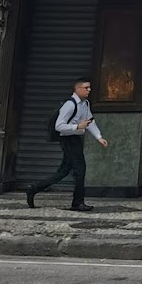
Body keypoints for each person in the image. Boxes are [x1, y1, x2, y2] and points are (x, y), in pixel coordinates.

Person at [26, 78, 108, 212]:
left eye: (89, 88)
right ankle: (78, 202)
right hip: (68, 140)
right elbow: (59, 126)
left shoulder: (85, 104)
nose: (89, 90)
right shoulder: (70, 105)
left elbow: (90, 121)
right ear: (77, 89)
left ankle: (34, 188)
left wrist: (99, 137)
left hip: (75, 139)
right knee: (80, 170)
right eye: (86, 88)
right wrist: (77, 127)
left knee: (63, 172)